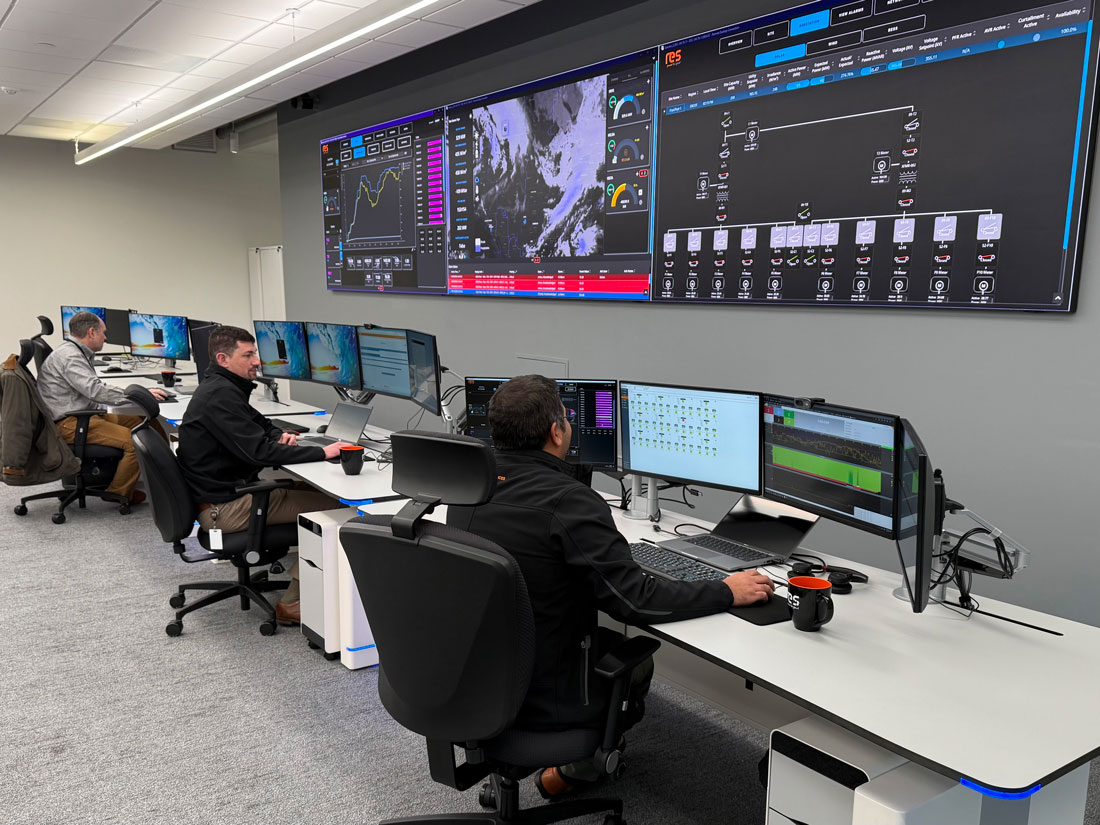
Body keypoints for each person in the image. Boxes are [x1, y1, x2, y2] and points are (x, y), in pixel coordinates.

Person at [446, 375, 774, 797]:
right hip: (547, 697)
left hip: (479, 679)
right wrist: (727, 590)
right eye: (566, 418)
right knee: (636, 660)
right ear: (557, 431)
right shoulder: (568, 503)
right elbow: (636, 600)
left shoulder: (468, 489)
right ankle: (583, 766)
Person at [176, 325, 353, 626]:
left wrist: (280, 434)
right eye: (248, 355)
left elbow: (259, 425)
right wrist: (324, 452)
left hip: (223, 496)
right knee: (339, 509)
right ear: (223, 358)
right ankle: (293, 602)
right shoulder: (220, 396)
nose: (257, 360)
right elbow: (259, 452)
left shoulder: (222, 388)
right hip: (226, 509)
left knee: (313, 491)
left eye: (254, 352)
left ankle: (313, 583)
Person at [37, 311, 169, 505]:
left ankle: (167, 479)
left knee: (147, 422)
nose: (106, 338)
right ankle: (118, 493)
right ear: (91, 332)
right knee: (137, 443)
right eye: (103, 333)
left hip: (82, 414)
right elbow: (96, 391)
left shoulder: (75, 350)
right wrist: (139, 396)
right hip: (69, 423)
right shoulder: (70, 357)